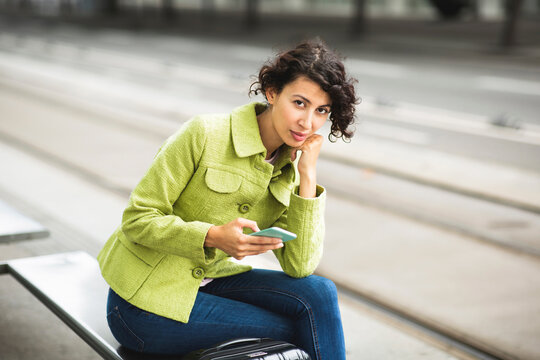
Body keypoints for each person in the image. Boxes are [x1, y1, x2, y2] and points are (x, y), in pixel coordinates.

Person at [97, 38, 358, 360]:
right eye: (300, 103)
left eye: (322, 111)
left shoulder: (289, 165)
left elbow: (300, 265)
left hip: (211, 282)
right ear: (273, 92)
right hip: (143, 304)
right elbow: (137, 220)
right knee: (302, 327)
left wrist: (308, 176)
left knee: (319, 293)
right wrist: (212, 237)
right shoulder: (204, 134)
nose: (308, 123)